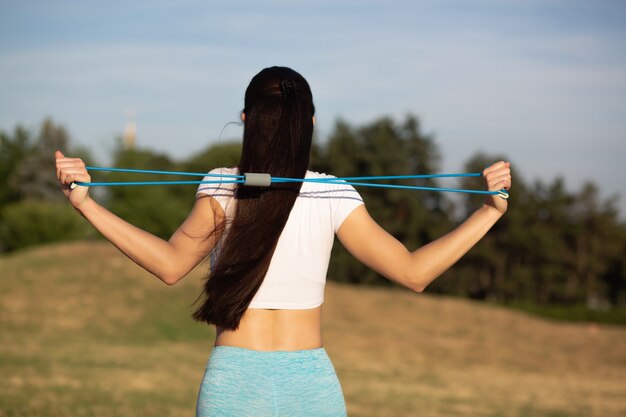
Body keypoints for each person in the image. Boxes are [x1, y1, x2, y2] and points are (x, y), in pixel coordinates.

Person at [55, 66, 512, 417]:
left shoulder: (221, 187)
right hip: (309, 386)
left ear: (246, 119)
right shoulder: (331, 194)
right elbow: (414, 273)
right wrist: (489, 211)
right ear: (309, 122)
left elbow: (171, 264)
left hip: (234, 383)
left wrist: (87, 206)